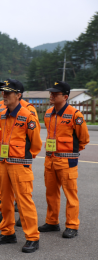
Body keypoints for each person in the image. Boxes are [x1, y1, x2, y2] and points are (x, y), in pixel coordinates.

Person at [0, 79, 42, 253]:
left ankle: (32, 238)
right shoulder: (4, 115)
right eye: (3, 93)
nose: (3, 96)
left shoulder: (28, 116)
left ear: (18, 95)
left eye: (8, 93)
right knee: (5, 201)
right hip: (4, 163)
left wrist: (24, 159)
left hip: (20, 165)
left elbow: (35, 144)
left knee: (24, 202)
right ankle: (8, 232)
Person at [38, 81, 90, 238]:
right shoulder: (48, 114)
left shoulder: (75, 115)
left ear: (65, 97)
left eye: (55, 94)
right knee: (51, 193)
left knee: (70, 194)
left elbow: (84, 139)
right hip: (50, 161)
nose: (51, 96)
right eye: (51, 93)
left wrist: (71, 152)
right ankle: (52, 222)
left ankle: (72, 225)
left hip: (67, 162)